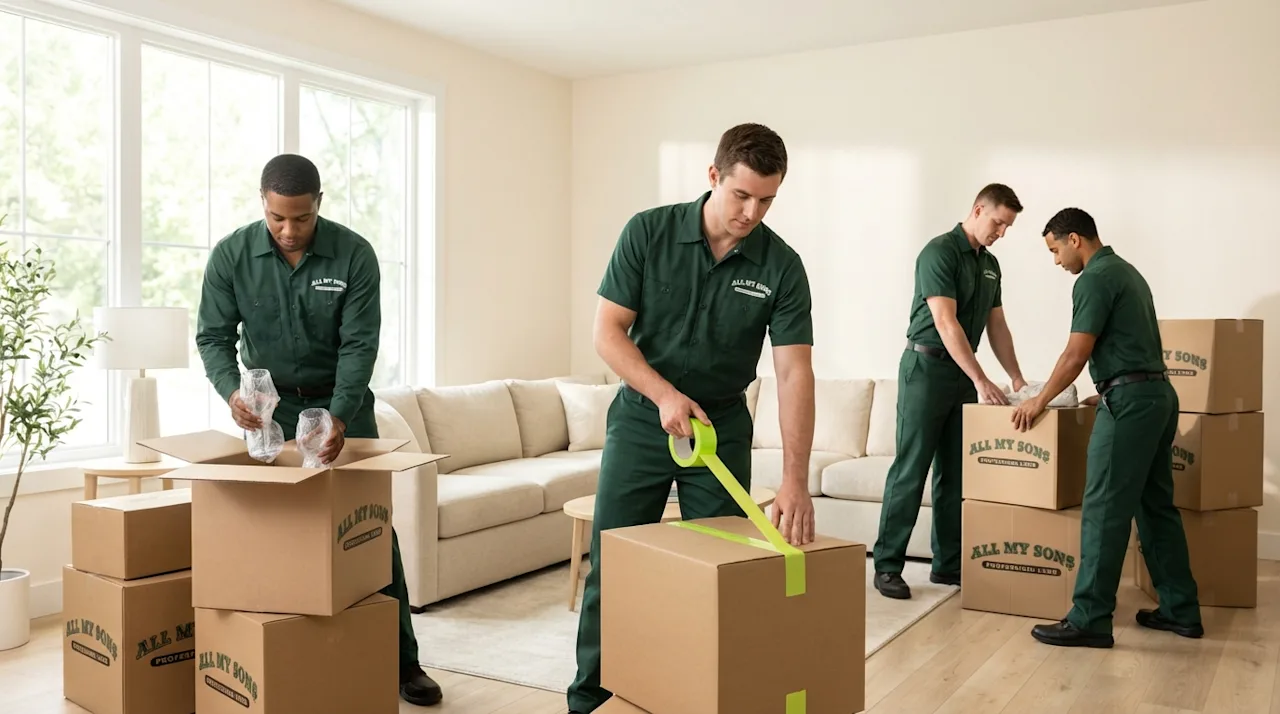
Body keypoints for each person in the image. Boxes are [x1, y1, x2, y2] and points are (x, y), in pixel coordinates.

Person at [565, 123, 817, 714]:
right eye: (742, 196)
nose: (752, 212)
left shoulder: (782, 266)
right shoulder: (648, 232)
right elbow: (607, 332)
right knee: (615, 563)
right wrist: (663, 396)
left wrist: (795, 480)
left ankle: (700, 693)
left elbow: (793, 373)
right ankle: (590, 700)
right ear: (713, 177)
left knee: (721, 573)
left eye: (767, 200)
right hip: (641, 421)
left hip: (722, 429)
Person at [194, 153, 444, 706]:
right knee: (276, 529)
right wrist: (230, 392)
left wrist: (341, 413)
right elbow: (213, 338)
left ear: (319, 205)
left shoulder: (354, 255)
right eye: (278, 217)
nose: (288, 230)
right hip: (269, 413)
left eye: (301, 218)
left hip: (342, 407)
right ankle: (290, 652)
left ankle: (403, 662)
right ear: (263, 203)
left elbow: (360, 345)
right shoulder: (231, 256)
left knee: (367, 530)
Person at [1012, 207, 1202, 648]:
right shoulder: (1129, 273)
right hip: (1156, 395)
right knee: (1156, 507)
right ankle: (1181, 609)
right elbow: (1135, 343)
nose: (1057, 261)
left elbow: (1076, 352)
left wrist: (1039, 401)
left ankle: (1091, 618)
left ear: (1075, 239)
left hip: (1130, 407)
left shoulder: (1093, 279)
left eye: (1055, 250)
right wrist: (1115, 381)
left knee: (1102, 510)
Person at [871, 184, 1028, 600]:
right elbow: (946, 322)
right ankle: (887, 566)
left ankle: (947, 566)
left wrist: (1015, 378)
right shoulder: (938, 252)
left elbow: (997, 325)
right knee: (912, 468)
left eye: (1008, 226)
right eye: (998, 222)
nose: (1001, 232)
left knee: (955, 474)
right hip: (925, 369)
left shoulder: (991, 265)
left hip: (962, 371)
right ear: (978, 210)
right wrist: (981, 379)